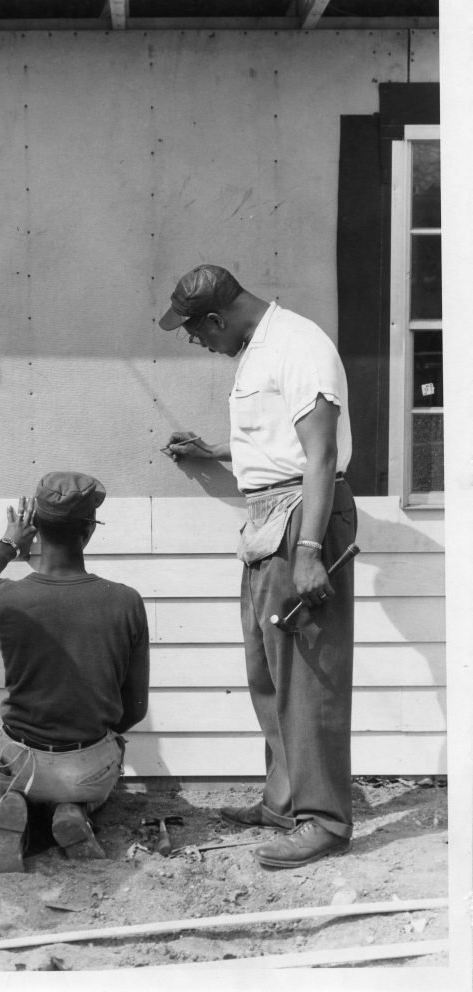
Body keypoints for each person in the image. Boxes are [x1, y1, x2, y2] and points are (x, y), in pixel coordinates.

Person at [160, 264, 356, 869]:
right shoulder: (258, 350)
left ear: (217, 318)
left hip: (304, 516)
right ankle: (286, 799)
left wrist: (309, 551)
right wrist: (214, 451)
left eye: (196, 332)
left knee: (309, 675)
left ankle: (324, 820)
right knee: (267, 670)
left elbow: (320, 455)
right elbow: (278, 442)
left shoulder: (299, 345)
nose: (196, 343)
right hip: (269, 516)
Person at [0, 471, 150, 873]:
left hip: (18, 763)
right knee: (99, 761)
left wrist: (9, 545)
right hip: (87, 769)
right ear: (89, 530)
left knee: (5, 752)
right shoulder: (125, 601)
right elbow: (135, 708)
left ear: (35, 528)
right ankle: (75, 810)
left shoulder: (3, 598)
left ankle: (15, 812)